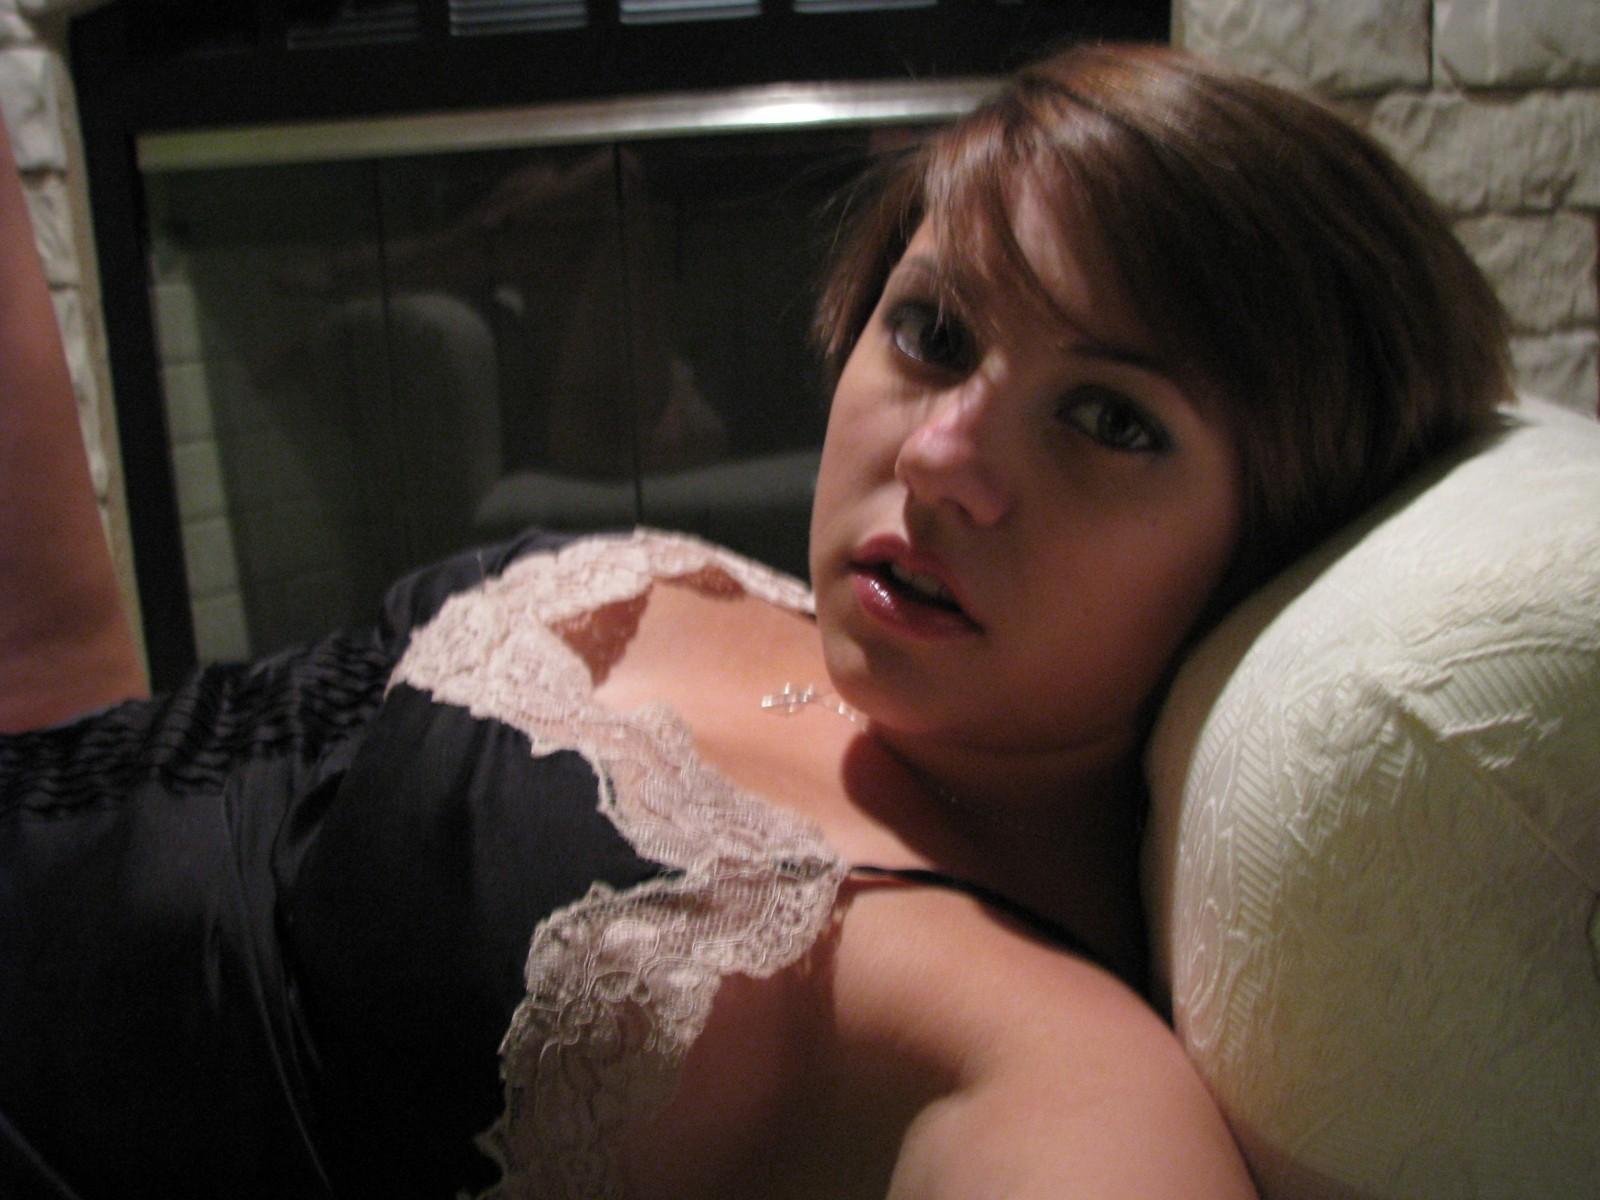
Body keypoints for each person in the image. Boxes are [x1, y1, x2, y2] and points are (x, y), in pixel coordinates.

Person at [0, 43, 1508, 1200]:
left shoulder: (1032, 1050)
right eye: (934, 331)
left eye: (1109, 419)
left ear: (1275, 530)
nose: (940, 457)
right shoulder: (852, 634)